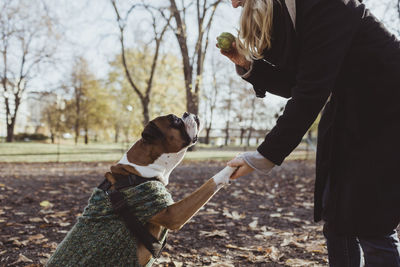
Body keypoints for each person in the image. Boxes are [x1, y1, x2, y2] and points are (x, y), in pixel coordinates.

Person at [219, 0, 400, 266]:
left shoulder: (327, 6)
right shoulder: (298, 15)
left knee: (370, 219)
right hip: (349, 106)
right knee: (336, 211)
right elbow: (300, 83)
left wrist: (261, 157)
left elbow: (309, 94)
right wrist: (249, 66)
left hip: (388, 109)